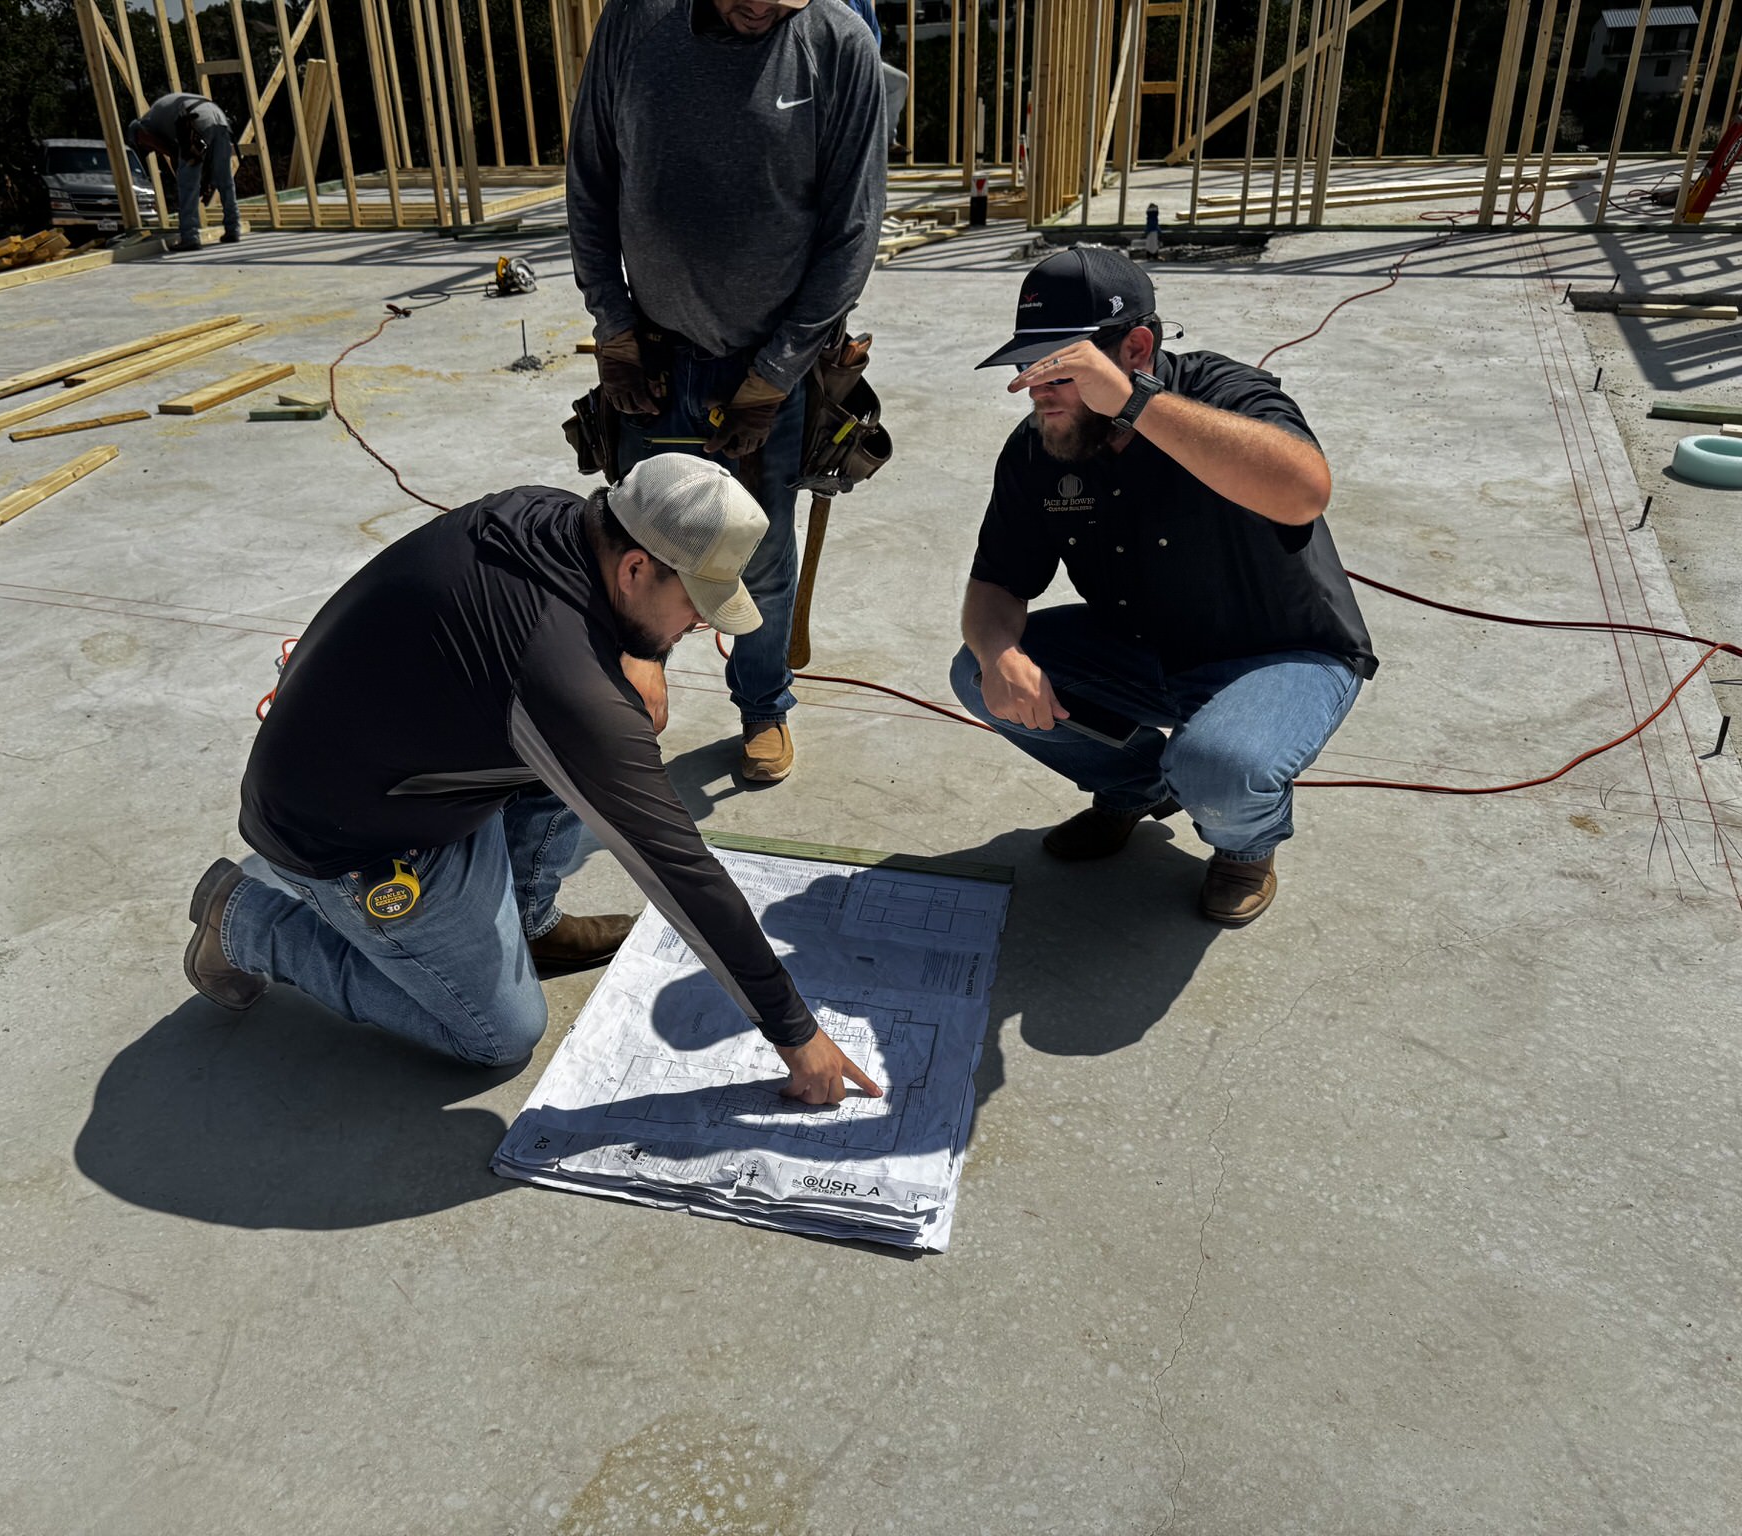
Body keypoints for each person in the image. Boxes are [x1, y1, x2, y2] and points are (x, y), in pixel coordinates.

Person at [184, 456, 880, 1104]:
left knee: (610, 723)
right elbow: (677, 869)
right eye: (696, 601)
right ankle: (248, 920)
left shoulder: (548, 515)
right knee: (497, 1036)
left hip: (393, 758)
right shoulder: (561, 684)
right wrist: (795, 1032)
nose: (702, 622)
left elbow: (563, 643)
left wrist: (644, 653)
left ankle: (526, 924)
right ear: (636, 567)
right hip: (352, 839)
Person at [948, 247, 1377, 925]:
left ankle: (1246, 843)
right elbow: (995, 588)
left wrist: (1134, 404)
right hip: (1142, 648)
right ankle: (1134, 784)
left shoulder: (1223, 395)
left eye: (1061, 371)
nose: (1039, 393)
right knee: (979, 672)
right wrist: (1001, 654)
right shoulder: (1040, 448)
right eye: (1029, 372)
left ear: (1137, 347)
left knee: (1216, 767)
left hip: (1280, 653)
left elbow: (1303, 491)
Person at [566, 0, 888, 785]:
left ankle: (764, 704)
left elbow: (853, 230)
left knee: (763, 559)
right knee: (637, 552)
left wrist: (776, 373)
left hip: (772, 367)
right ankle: (625, 708)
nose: (764, 9)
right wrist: (614, 326)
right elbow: (592, 182)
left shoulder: (835, 44)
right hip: (655, 359)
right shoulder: (636, 25)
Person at [127, 92, 240, 252]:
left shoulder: (142, 129)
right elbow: (186, 157)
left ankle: (190, 237)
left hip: (194, 120)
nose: (151, 150)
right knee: (224, 180)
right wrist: (203, 179)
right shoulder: (162, 116)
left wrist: (195, 178)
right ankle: (233, 228)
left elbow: (172, 153)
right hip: (218, 118)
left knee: (187, 186)